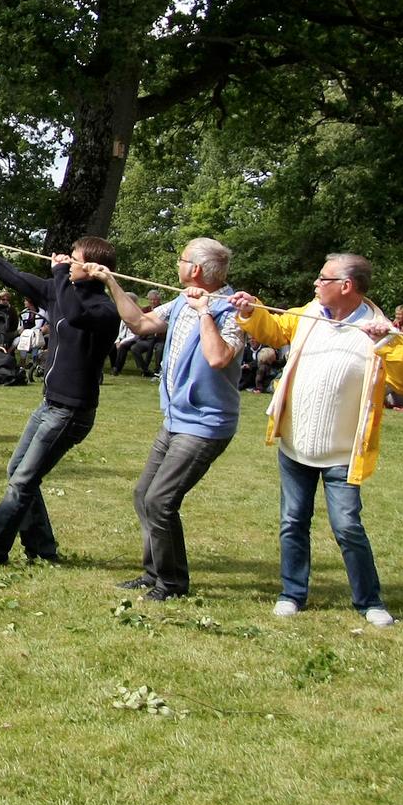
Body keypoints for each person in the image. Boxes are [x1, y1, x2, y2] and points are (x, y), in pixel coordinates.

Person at [233, 254, 403, 626]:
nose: (316, 284)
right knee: (292, 521)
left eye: (323, 278)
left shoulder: (379, 328)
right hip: (296, 444)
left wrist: (388, 343)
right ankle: (292, 593)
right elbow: (273, 330)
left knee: (348, 527)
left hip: (342, 453)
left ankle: (370, 602)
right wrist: (250, 311)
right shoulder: (309, 313)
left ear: (346, 286)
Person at [80, 238, 244, 601]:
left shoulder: (231, 311)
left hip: (205, 424)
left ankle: (172, 583)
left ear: (196, 269)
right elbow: (139, 322)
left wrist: (205, 312)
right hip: (175, 420)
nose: (178, 264)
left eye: (181, 259)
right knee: (144, 495)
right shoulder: (181, 300)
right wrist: (111, 281)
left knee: (161, 501)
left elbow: (218, 359)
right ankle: (154, 572)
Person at [0, 233, 120, 566]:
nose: (66, 261)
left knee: (22, 481)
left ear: (91, 268)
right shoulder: (59, 291)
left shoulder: (104, 309)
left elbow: (76, 315)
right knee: (17, 470)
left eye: (73, 258)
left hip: (72, 412)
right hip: (49, 404)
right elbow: (14, 276)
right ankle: (43, 549)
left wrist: (60, 274)